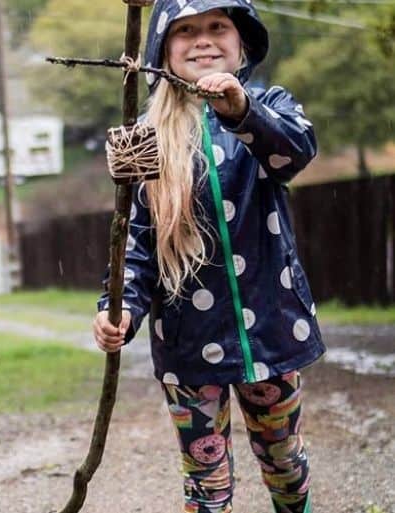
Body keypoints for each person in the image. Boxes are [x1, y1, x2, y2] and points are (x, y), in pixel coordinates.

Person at [92, 1, 324, 512]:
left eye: (217, 27)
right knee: (205, 480)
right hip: (187, 344)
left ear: (242, 43)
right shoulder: (146, 135)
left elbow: (296, 152)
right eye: (186, 31)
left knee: (284, 461)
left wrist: (241, 110)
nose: (203, 40)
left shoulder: (270, 105)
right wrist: (120, 308)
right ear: (162, 50)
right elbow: (135, 240)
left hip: (272, 331)